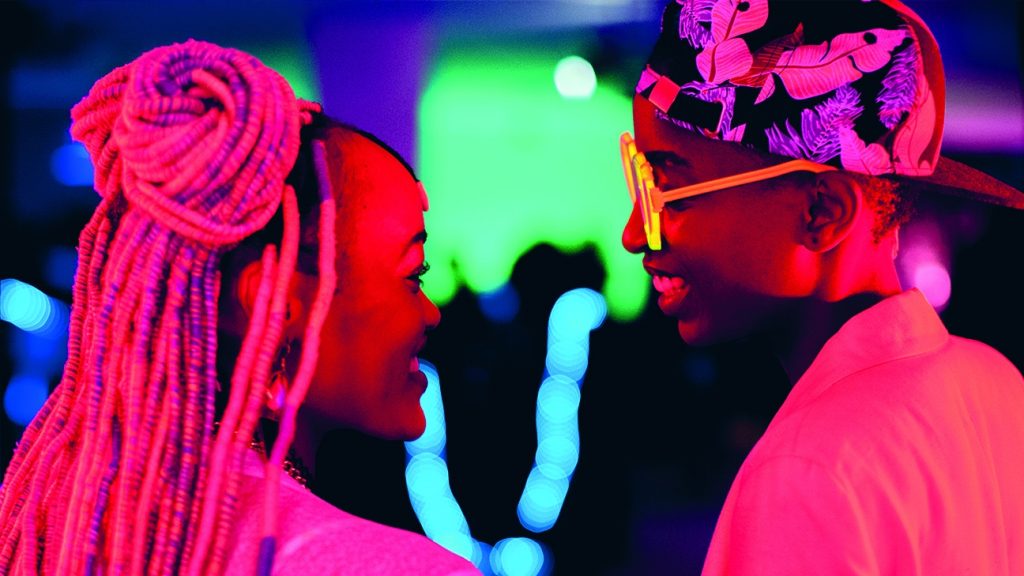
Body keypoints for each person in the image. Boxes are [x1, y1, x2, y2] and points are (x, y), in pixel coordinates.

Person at [0, 40, 479, 576]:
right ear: (272, 308)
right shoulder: (390, 566)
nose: (433, 313)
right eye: (414, 275)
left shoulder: (59, 529)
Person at [619, 1, 1024, 573]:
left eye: (665, 189)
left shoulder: (807, 470)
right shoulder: (996, 382)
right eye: (638, 179)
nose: (634, 234)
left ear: (821, 212)